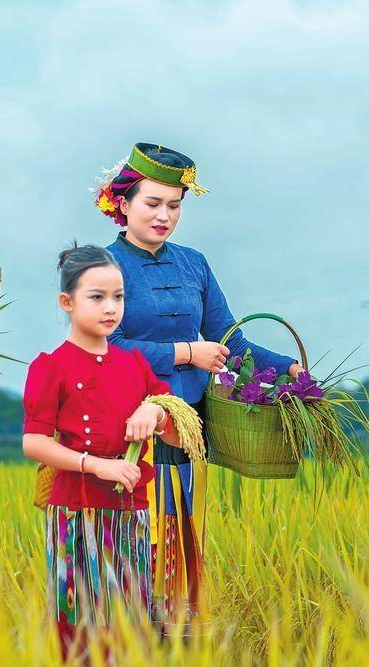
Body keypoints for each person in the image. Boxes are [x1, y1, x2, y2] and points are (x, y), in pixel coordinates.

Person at [97, 142, 303, 627]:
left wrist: (290, 370)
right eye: (152, 203)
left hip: (187, 425)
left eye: (174, 206)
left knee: (181, 528)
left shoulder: (194, 263)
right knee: (131, 530)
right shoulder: (100, 265)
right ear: (123, 203)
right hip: (125, 423)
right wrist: (186, 353)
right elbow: (107, 345)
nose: (164, 215)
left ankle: (181, 629)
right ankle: (123, 633)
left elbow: (233, 342)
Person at [22, 243, 199, 659]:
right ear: (66, 302)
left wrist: (155, 409)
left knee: (130, 619)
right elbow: (34, 442)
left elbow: (178, 430)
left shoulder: (134, 363)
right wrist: (96, 465)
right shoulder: (51, 365)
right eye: (96, 297)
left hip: (131, 513)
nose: (110, 308)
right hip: (74, 513)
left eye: (118, 297)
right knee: (78, 623)